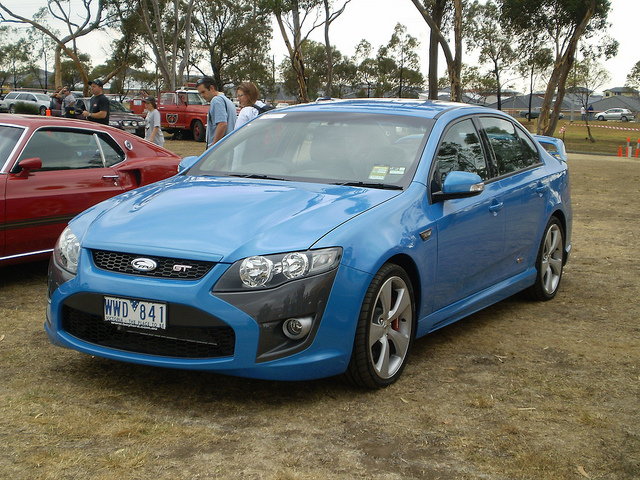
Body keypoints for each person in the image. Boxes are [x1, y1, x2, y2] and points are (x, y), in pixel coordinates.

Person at [195, 76, 236, 148]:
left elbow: (222, 124)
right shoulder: (227, 101)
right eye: (200, 93)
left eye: (203, 92)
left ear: (211, 88)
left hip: (220, 149)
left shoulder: (216, 100)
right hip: (229, 146)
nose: (202, 96)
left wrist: (213, 147)